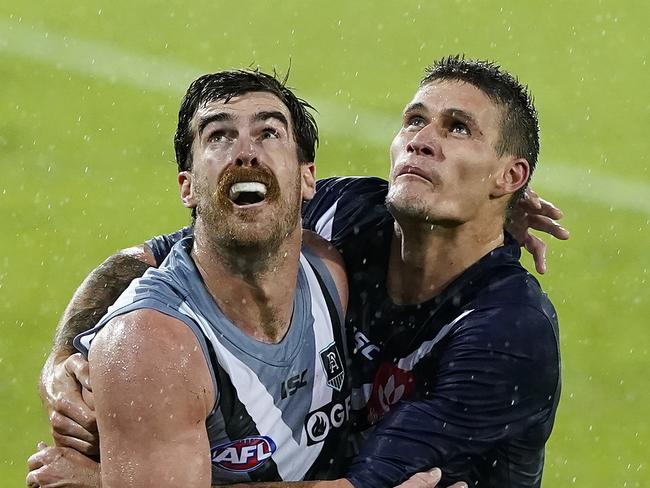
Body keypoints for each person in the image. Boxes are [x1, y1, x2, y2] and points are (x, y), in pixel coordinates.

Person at [30, 57, 567, 487]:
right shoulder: (349, 217)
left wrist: (122, 479)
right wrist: (64, 356)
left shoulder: (508, 331)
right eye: (414, 120)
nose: (422, 139)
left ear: (510, 175)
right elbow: (161, 253)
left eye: (458, 129)